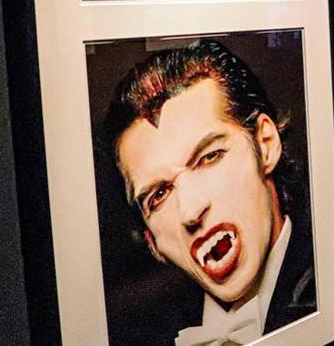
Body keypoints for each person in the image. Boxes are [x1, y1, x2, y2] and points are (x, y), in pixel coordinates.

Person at [102, 39, 314, 345]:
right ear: (151, 242)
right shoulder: (144, 332)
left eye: (209, 157)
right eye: (159, 195)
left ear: (265, 145)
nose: (191, 211)